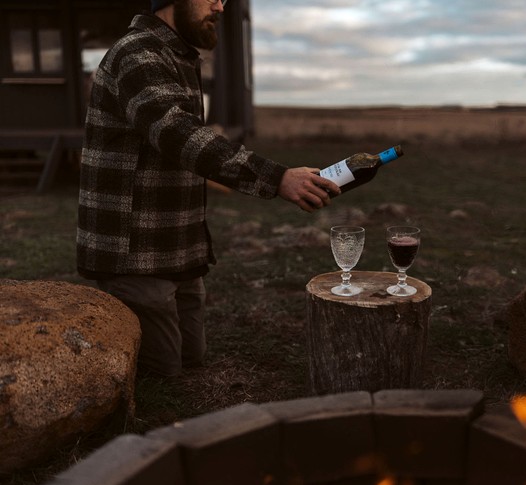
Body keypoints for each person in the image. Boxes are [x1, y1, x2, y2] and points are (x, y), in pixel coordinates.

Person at [76, 0, 341, 378]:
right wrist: (276, 177)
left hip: (176, 250)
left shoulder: (178, 56)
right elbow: (177, 134)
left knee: (193, 359)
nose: (221, 5)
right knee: (164, 373)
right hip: (133, 252)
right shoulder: (137, 54)